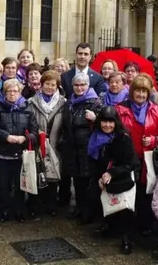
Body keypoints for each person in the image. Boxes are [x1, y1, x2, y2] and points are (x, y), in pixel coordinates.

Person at [116, 74, 158, 235]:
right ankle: (126, 228)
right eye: (138, 91)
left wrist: (155, 139)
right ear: (132, 92)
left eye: (144, 92)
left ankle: (145, 225)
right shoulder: (120, 109)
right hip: (127, 157)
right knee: (126, 191)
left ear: (148, 94)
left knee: (145, 192)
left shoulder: (156, 110)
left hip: (147, 159)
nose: (140, 95)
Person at [91, 106, 141, 255]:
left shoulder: (123, 138)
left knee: (125, 209)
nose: (107, 125)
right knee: (106, 203)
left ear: (116, 122)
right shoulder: (96, 136)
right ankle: (110, 227)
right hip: (103, 176)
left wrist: (112, 173)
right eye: (104, 121)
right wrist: (99, 176)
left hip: (122, 177)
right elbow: (95, 159)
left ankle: (127, 239)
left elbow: (132, 162)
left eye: (110, 122)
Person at [0, 78, 38, 223]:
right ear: (4, 93)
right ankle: (4, 210)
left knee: (20, 185)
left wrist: (24, 138)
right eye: (8, 91)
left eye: (15, 91)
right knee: (2, 185)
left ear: (19, 91)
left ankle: (19, 211)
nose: (12, 94)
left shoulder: (27, 108)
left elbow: (34, 132)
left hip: (20, 154)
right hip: (3, 153)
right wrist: (6, 136)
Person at [60, 72, 102, 224]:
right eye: (76, 85)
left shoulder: (95, 103)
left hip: (88, 149)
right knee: (77, 180)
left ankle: (88, 213)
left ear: (88, 86)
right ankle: (79, 208)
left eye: (82, 85)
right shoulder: (69, 102)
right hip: (73, 148)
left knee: (88, 182)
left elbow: (107, 126)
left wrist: (95, 119)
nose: (79, 88)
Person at [28, 70, 67, 217]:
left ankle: (51, 205)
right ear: (41, 84)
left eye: (53, 85)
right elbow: (28, 122)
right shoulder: (32, 102)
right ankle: (34, 205)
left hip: (55, 143)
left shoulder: (63, 103)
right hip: (38, 144)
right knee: (37, 173)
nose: (50, 87)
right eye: (47, 84)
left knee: (53, 175)